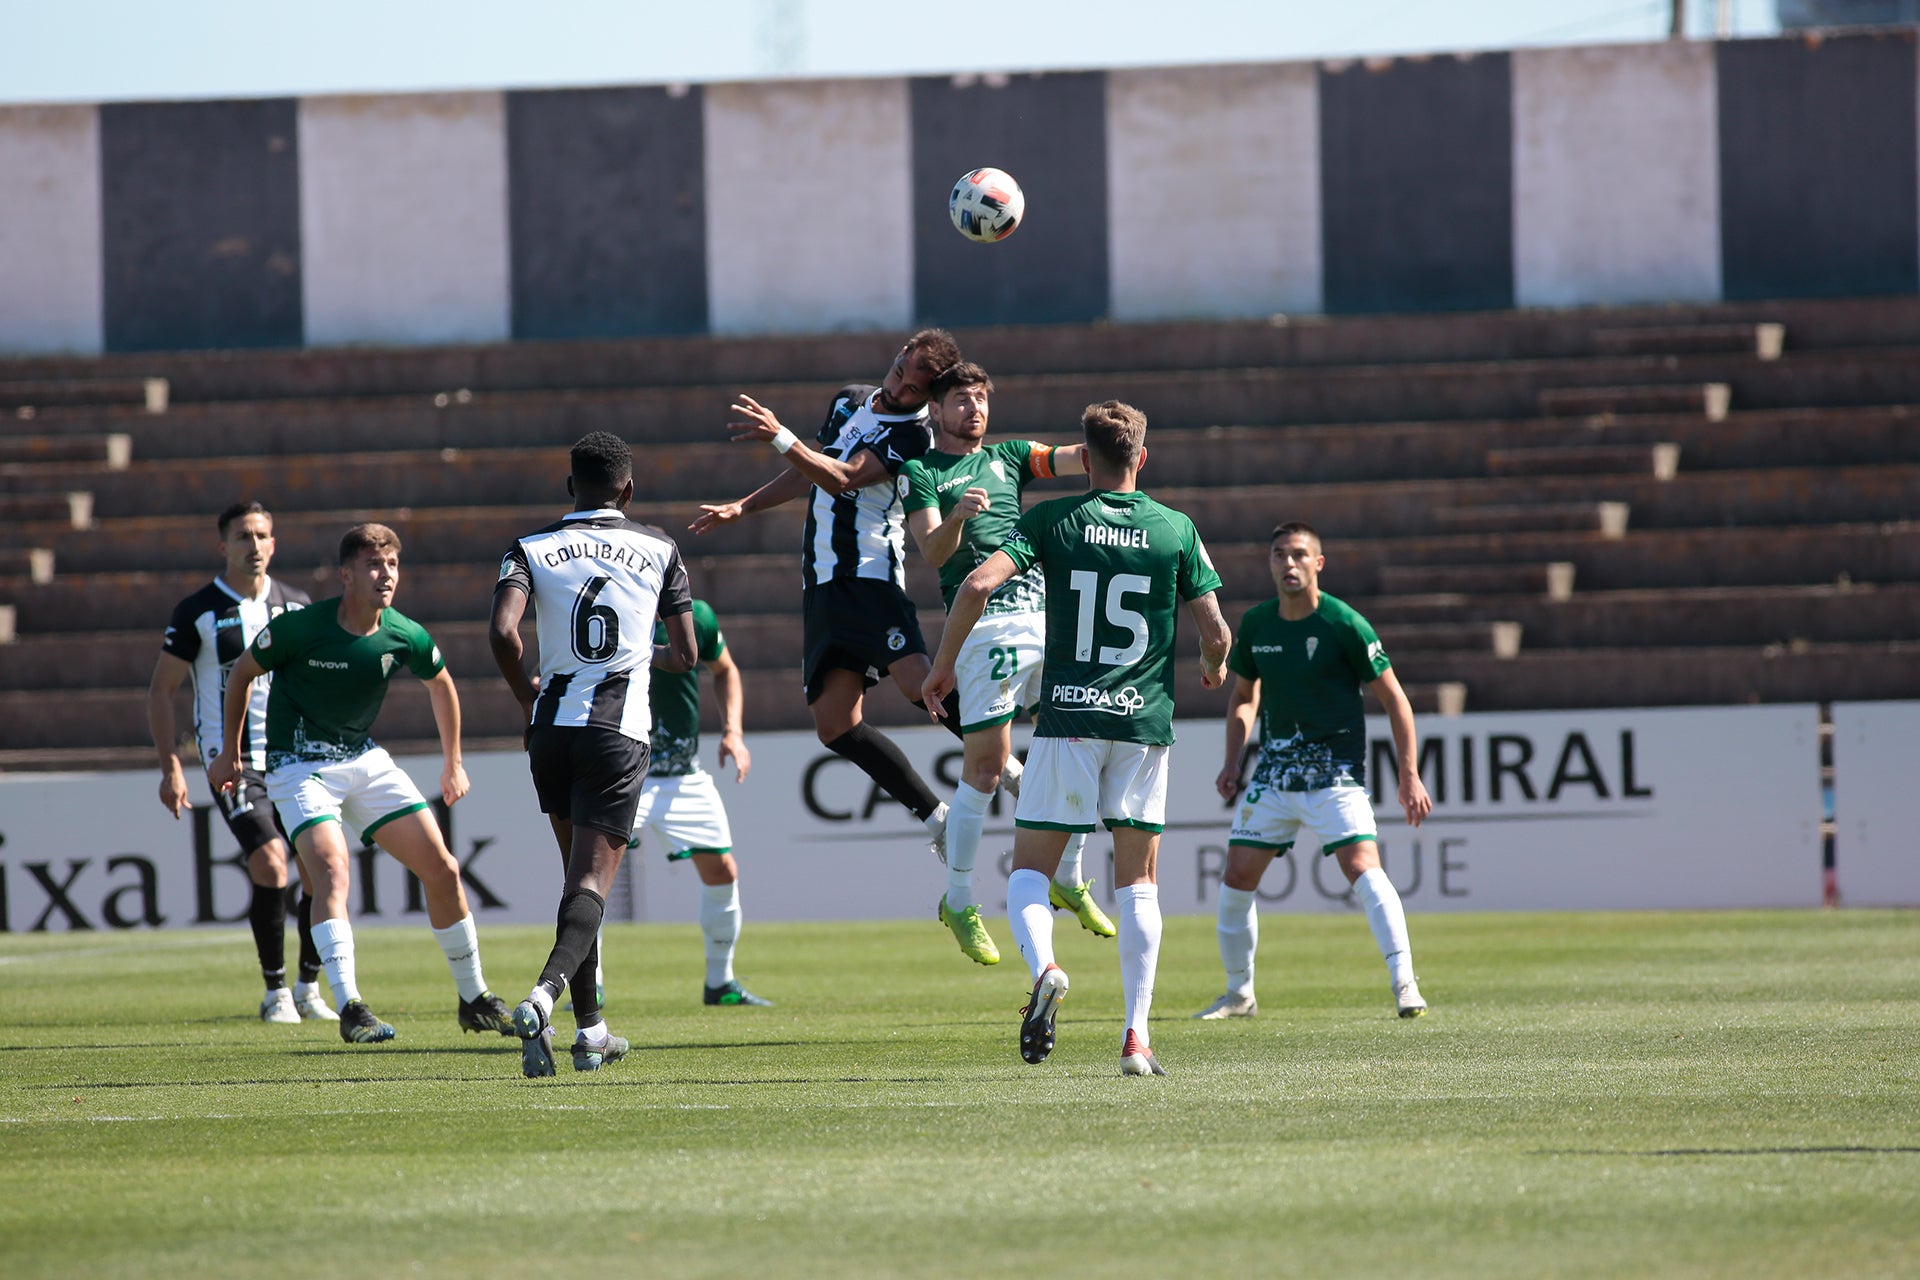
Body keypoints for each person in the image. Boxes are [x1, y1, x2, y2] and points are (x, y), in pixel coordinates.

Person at [924, 400, 1231, 1077]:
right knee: (1139, 883)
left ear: (1084, 460)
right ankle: (1137, 1037)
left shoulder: (1051, 520)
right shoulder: (1176, 529)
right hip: (1143, 724)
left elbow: (976, 582)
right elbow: (1216, 634)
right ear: (1141, 460)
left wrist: (944, 666)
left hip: (1067, 720)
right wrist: (1213, 670)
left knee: (1030, 872)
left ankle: (1048, 968)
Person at [211, 522, 514, 1045]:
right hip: (297, 765)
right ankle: (351, 1006)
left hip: (363, 759)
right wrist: (229, 753)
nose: (386, 574)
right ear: (346, 575)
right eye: (374, 565)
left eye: (393, 564)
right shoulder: (300, 628)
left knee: (443, 869)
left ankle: (474, 998)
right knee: (330, 867)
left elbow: (441, 685)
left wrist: (454, 762)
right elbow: (241, 673)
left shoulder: (403, 632)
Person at [689, 331, 970, 863]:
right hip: (821, 583)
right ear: (898, 355)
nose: (900, 391)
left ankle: (1003, 761)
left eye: (915, 390)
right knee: (835, 723)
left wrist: (780, 436)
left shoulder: (914, 436)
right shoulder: (848, 399)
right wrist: (743, 507)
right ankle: (938, 818)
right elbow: (811, 470)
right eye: (900, 375)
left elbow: (842, 478)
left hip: (868, 574)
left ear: (929, 399)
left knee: (917, 683)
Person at [490, 433, 699, 1077]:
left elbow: (502, 632)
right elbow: (688, 656)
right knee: (590, 885)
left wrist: (528, 692)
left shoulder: (528, 548)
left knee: (578, 885)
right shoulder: (660, 546)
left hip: (551, 730)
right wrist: (638, 657)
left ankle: (592, 1033)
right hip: (617, 733)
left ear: (568, 487)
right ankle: (539, 998)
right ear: (628, 490)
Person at [900, 363, 1114, 966]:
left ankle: (1068, 878)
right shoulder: (923, 473)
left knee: (1076, 747)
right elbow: (931, 549)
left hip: (1047, 618)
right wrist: (960, 516)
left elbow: (1078, 458)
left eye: (981, 399)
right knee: (987, 772)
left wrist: (1116, 436)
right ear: (936, 412)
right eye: (961, 399)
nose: (974, 409)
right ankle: (960, 899)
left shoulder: (1013, 455)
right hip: (984, 627)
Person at [1192, 522, 1434, 1021]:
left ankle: (1405, 982)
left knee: (1362, 867)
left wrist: (1409, 776)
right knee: (1236, 876)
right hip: (1275, 777)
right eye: (1279, 554)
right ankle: (1240, 994)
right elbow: (1242, 696)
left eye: (1300, 555)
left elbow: (1396, 701)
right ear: (1270, 563)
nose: (1289, 564)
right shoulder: (1258, 624)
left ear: (1318, 563)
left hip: (1335, 776)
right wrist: (1232, 761)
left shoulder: (1344, 623)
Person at [147, 501, 334, 1024]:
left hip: (294, 757)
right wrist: (171, 766)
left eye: (262, 535)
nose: (253, 545)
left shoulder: (297, 607)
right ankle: (275, 991)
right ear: (223, 545)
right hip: (233, 762)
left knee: (319, 868)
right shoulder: (198, 611)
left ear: (274, 543)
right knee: (272, 861)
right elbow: (161, 691)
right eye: (242, 536)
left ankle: (306, 987)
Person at [626, 594, 771, 1007]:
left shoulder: (696, 616)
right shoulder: (611, 609)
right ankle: (588, 986)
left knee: (722, 869)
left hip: (684, 775)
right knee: (594, 876)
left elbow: (725, 670)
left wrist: (733, 732)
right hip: (621, 775)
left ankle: (719, 983)